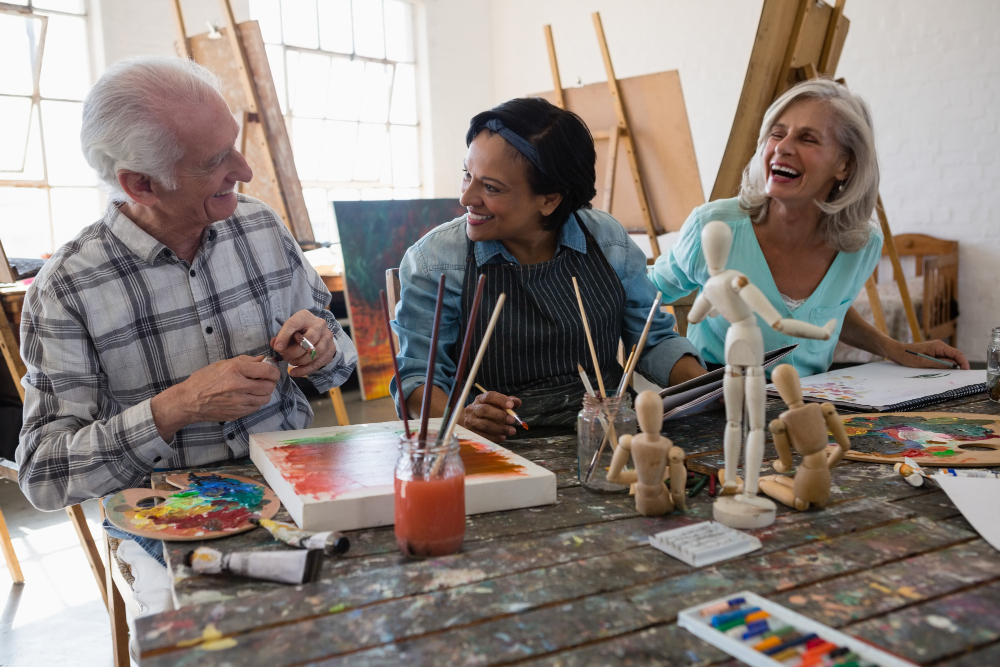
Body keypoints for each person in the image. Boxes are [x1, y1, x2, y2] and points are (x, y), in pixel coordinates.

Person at [15, 56, 357, 635]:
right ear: (140, 184)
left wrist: (323, 350)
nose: (245, 170)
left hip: (296, 488)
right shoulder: (68, 287)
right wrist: (174, 410)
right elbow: (44, 475)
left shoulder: (261, 229)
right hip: (166, 519)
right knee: (214, 640)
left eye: (235, 146)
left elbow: (339, 361)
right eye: (216, 160)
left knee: (378, 606)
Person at [391, 98, 706, 443]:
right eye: (467, 174)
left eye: (491, 187)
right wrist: (463, 417)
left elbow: (651, 340)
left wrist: (714, 387)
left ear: (549, 199)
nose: (467, 198)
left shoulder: (607, 241)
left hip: (607, 436)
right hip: (498, 446)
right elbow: (418, 376)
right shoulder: (436, 261)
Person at [651, 78, 968, 376]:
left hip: (809, 404)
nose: (783, 147)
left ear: (845, 165)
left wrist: (894, 349)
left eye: (807, 138)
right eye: (777, 133)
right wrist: (685, 373)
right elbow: (642, 297)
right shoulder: (713, 226)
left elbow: (831, 310)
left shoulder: (862, 246)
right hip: (719, 401)